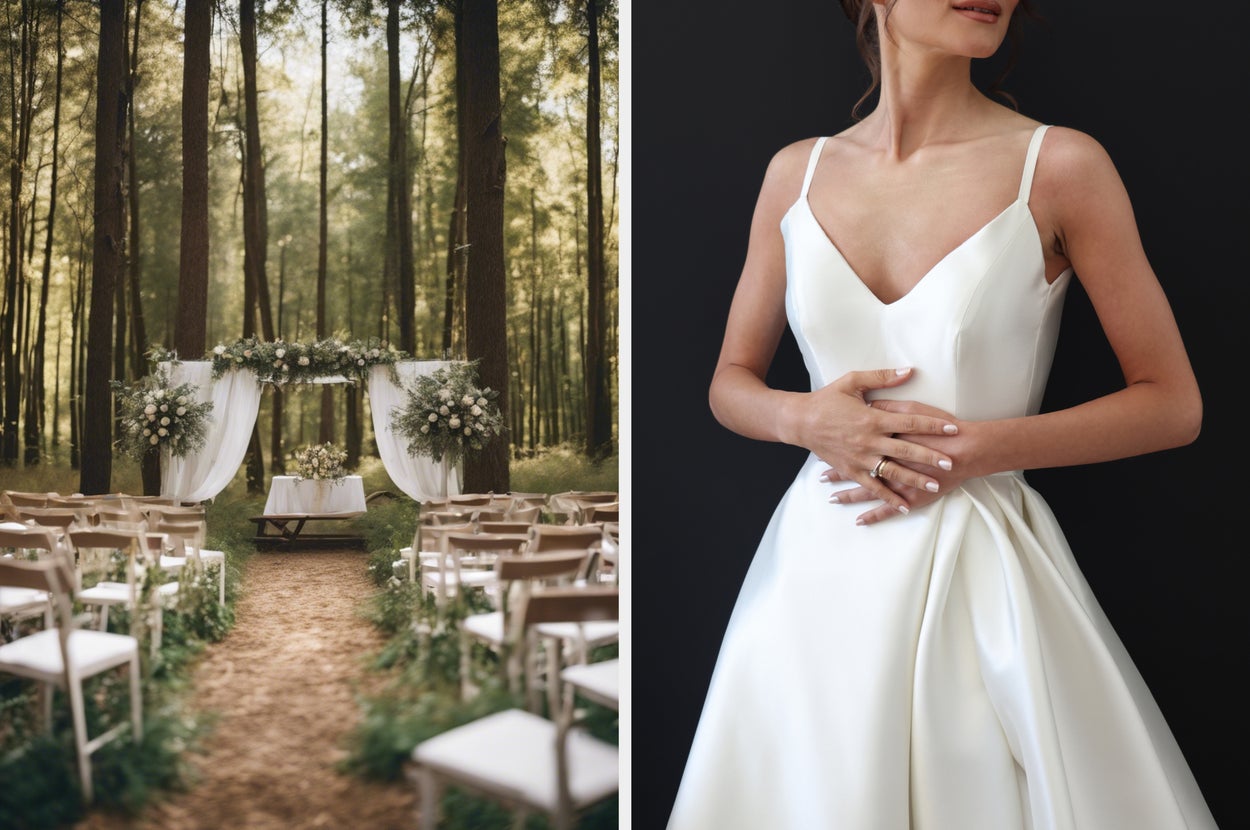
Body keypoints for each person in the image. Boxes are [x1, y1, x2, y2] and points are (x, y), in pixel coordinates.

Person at [665, 1, 1219, 827]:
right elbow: (730, 382)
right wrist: (808, 422)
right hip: (814, 578)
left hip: (980, 578)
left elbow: (1173, 405)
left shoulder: (1059, 164)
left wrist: (978, 449)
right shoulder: (798, 173)